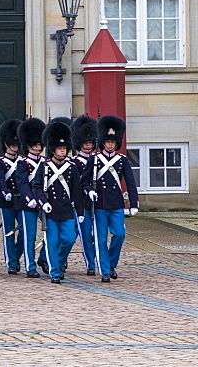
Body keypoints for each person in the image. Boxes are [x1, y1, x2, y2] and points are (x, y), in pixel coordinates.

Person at [87, 115, 139, 283]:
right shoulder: (94, 159)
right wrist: (89, 191)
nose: (110, 145)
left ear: (117, 143)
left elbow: (130, 182)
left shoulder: (122, 160)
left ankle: (111, 263)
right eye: (108, 142)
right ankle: (105, 270)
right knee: (101, 238)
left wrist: (134, 203)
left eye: (113, 142)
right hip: (100, 204)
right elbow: (84, 181)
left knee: (119, 234)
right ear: (103, 142)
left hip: (116, 204)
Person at [31, 119, 83, 284]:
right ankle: (54, 272)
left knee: (68, 239)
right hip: (50, 211)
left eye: (64, 148)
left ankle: (58, 263)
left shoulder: (71, 167)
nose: (62, 151)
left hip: (66, 210)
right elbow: (36, 186)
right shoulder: (45, 166)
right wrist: (42, 202)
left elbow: (76, 191)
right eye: (60, 148)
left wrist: (80, 212)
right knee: (52, 242)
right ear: (53, 149)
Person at [0, 119, 25, 275]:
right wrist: (4, 191)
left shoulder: (23, 161)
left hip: (23, 201)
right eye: (12, 143)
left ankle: (16, 256)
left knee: (25, 232)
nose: (15, 146)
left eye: (16, 144)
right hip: (7, 201)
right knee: (9, 232)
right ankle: (11, 262)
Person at [17, 117, 46, 279]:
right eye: (35, 144)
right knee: (30, 236)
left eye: (39, 144)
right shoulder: (23, 163)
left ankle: (44, 258)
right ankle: (30, 265)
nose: (38, 147)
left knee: (51, 233)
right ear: (28, 146)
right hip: (29, 204)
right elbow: (22, 183)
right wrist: (29, 198)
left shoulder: (45, 162)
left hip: (43, 202)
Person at [71, 114, 98, 275]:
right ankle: (90, 263)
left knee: (97, 235)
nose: (88, 145)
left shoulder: (97, 160)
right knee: (84, 235)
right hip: (80, 204)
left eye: (90, 142)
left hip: (97, 203)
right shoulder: (74, 162)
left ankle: (97, 260)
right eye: (85, 143)